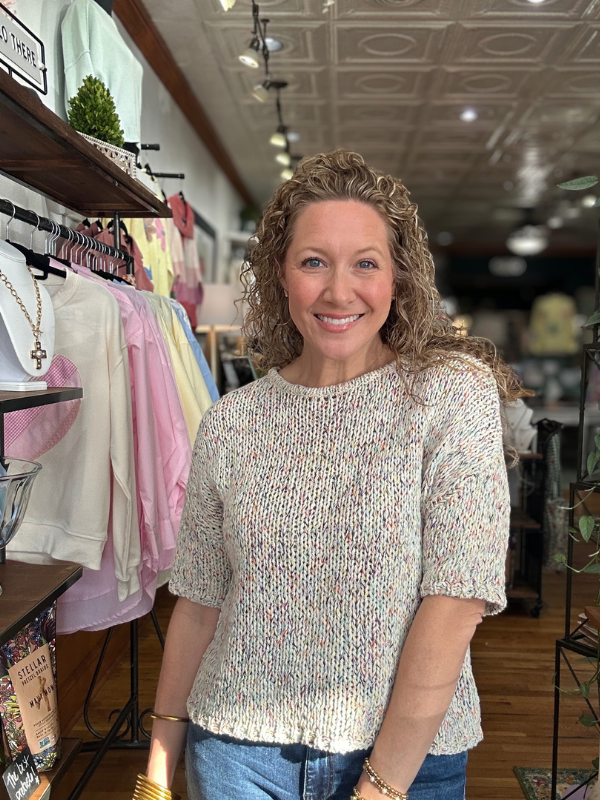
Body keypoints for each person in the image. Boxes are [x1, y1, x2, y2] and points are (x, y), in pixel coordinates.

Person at [134, 150, 530, 800]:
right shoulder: (232, 423)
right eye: (313, 261)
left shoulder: (450, 396)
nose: (339, 291)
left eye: (365, 264)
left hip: (408, 761)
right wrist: (157, 766)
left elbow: (457, 600)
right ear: (279, 275)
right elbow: (200, 601)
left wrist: (379, 786)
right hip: (238, 755)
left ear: (397, 278)